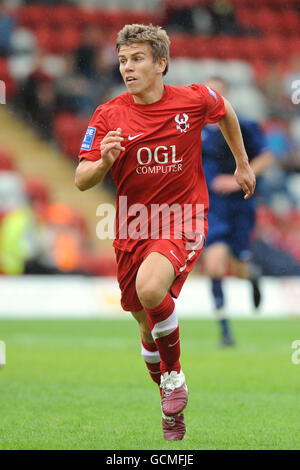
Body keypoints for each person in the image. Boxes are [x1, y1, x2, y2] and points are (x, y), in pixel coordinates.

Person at [75, 24, 255, 441]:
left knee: (153, 289)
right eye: (122, 60)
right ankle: (169, 404)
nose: (127, 68)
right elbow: (82, 178)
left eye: (137, 59)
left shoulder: (192, 99)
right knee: (144, 323)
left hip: (184, 217)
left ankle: (174, 378)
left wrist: (242, 163)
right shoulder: (108, 115)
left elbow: (224, 108)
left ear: (161, 63)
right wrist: (104, 162)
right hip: (133, 226)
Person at [201, 77, 273, 346]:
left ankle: (251, 274)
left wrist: (235, 180)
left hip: (241, 204)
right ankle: (225, 331)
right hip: (212, 208)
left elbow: (266, 156)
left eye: (217, 92)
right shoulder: (194, 129)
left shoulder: (242, 123)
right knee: (214, 265)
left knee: (240, 266)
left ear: (226, 95)